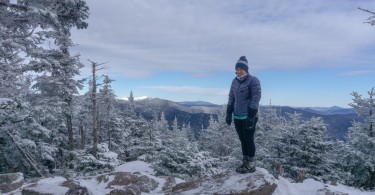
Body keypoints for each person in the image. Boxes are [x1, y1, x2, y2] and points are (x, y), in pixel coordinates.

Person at [226, 56, 261, 174]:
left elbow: (256, 98)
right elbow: (231, 97)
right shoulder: (234, 81)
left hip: (248, 116)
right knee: (242, 139)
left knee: (249, 139)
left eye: (242, 69)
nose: (239, 71)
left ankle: (251, 163)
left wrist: (251, 115)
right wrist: (228, 113)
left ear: (246, 69)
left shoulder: (253, 80)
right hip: (237, 116)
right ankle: (245, 162)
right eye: (238, 69)